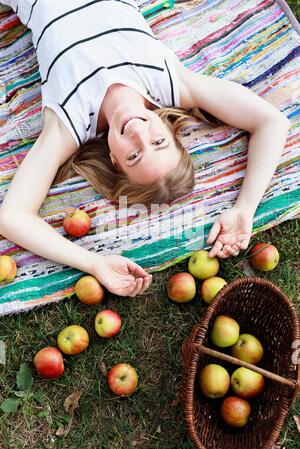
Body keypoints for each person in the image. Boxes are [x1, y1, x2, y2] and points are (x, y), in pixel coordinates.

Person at [0, 1, 290, 297]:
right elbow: (271, 122)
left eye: (134, 155)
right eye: (158, 141)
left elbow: (13, 217)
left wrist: (94, 263)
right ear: (168, 129)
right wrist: (245, 207)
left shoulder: (70, 123)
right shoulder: (170, 84)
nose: (140, 133)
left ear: (113, 160)